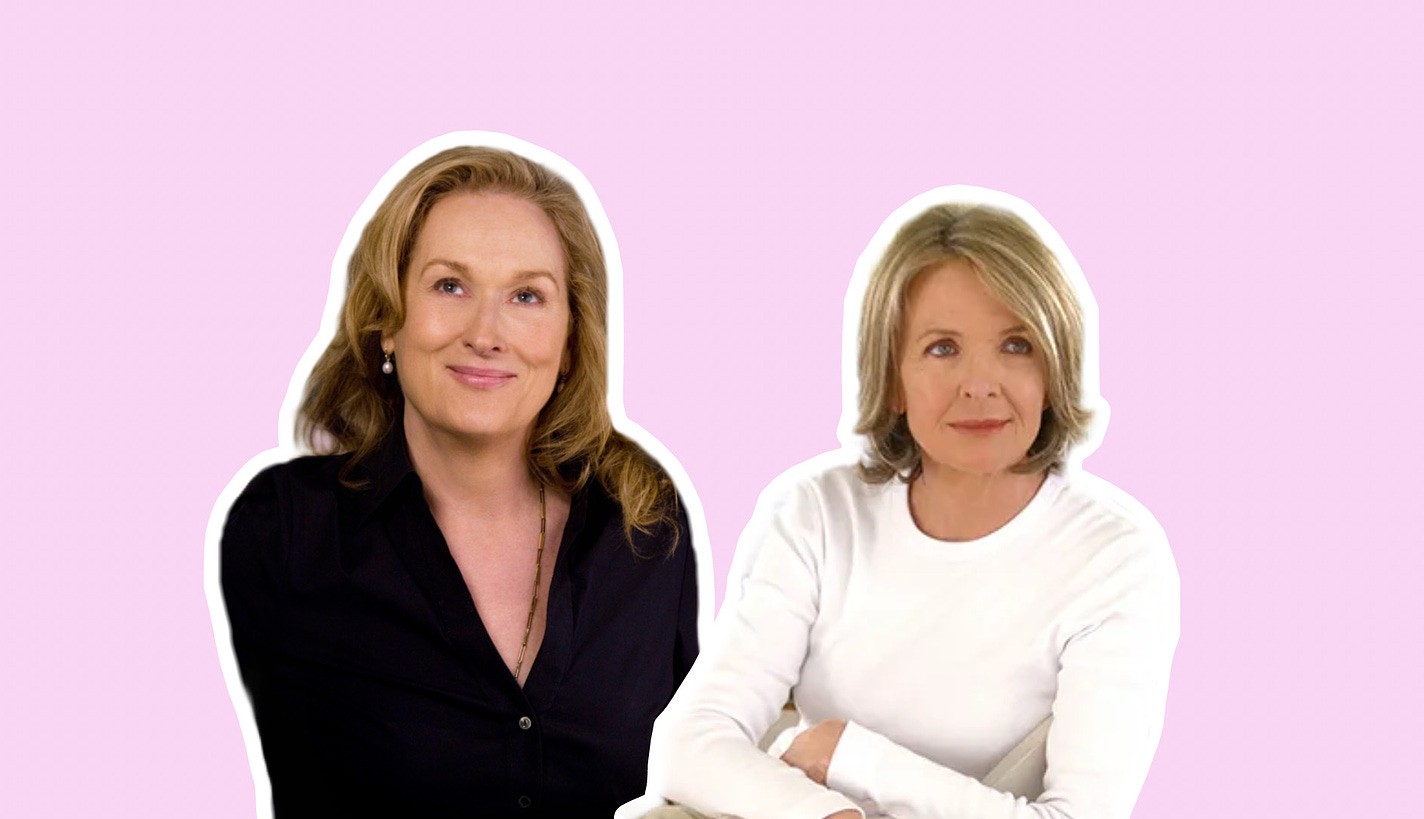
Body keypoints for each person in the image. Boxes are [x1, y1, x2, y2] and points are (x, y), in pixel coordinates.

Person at [643, 200, 1179, 819]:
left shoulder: (1114, 554)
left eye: (1016, 344)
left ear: (1053, 370)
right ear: (893, 380)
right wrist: (832, 817)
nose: (980, 383)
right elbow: (689, 743)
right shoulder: (816, 512)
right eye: (942, 348)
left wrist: (853, 756)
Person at [220, 144, 699, 818]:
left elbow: (693, 772)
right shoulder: (287, 530)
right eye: (450, 285)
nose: (486, 332)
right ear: (386, 318)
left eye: (527, 295)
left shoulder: (644, 524)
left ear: (569, 339)